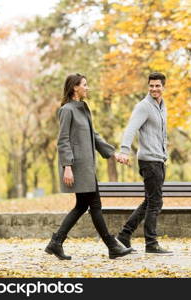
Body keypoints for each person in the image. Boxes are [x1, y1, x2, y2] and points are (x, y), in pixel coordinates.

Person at [45, 73, 132, 260]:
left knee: (82, 206)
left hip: (87, 167)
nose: (87, 87)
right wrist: (67, 166)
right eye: (85, 84)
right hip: (76, 167)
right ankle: (112, 245)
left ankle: (56, 242)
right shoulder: (67, 110)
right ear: (75, 87)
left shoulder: (83, 108)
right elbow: (63, 141)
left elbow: (95, 136)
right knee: (95, 205)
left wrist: (112, 154)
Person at [115, 72, 172, 254]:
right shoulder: (144, 107)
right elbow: (131, 128)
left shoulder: (162, 107)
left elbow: (162, 134)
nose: (154, 89)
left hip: (159, 159)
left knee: (149, 202)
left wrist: (165, 154)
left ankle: (124, 235)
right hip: (149, 160)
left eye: (157, 86)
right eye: (151, 86)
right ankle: (151, 243)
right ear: (148, 87)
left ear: (163, 87)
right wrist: (124, 150)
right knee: (155, 203)